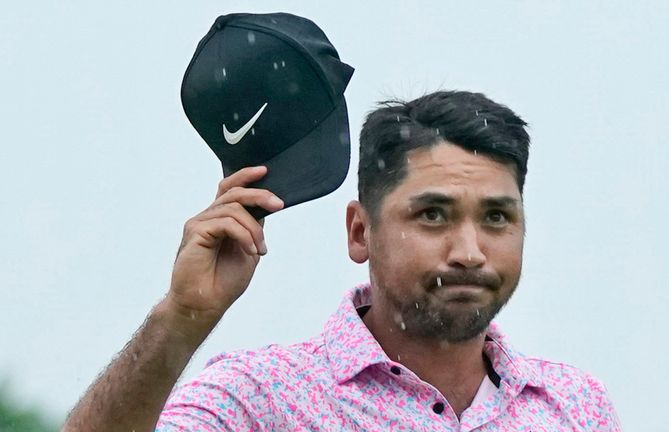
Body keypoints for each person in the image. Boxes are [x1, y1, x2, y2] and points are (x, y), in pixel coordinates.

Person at [63, 91, 622, 431]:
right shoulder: (260, 397)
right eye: (433, 215)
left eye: (497, 218)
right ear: (361, 231)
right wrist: (181, 320)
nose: (470, 252)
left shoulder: (574, 407)